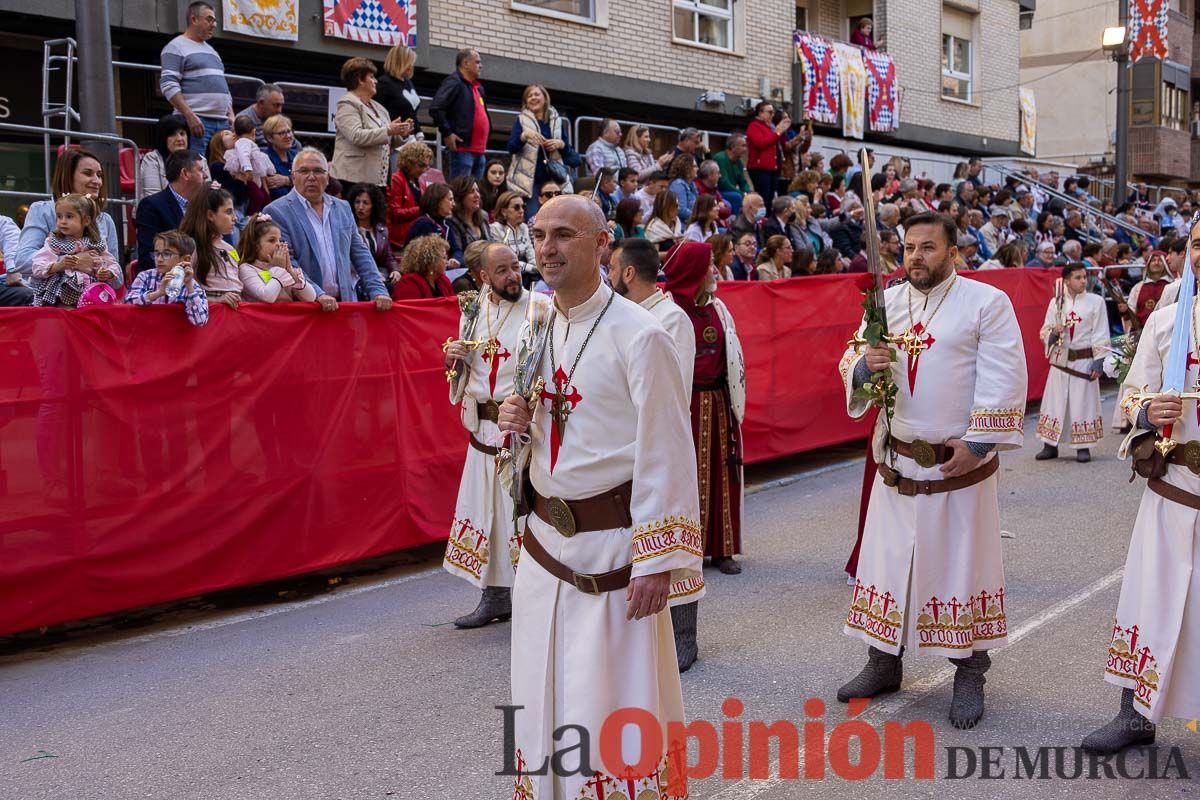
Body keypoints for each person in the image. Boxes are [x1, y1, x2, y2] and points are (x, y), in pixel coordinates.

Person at [496, 194, 702, 799]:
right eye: (538, 236)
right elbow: (546, 423)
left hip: (613, 552)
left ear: (602, 245)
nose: (546, 249)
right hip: (545, 547)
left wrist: (657, 561)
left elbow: (667, 450)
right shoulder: (540, 325)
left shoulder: (642, 336)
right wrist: (519, 417)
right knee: (540, 689)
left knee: (608, 701)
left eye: (563, 235)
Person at [837, 212, 1028, 729]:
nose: (916, 257)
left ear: (953, 252)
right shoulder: (886, 303)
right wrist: (863, 366)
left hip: (956, 465)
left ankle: (969, 669)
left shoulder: (986, 303)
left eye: (928, 247)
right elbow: (851, 359)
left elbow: (1006, 376)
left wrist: (980, 442)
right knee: (889, 565)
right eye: (909, 248)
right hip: (898, 461)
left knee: (960, 570)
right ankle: (883, 661)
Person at [1081, 215, 1200, 753]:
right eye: (1199, 245)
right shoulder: (1167, 322)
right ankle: (1135, 715)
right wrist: (1149, 408)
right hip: (1173, 488)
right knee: (1148, 601)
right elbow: (1129, 397)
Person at [442, 242, 550, 627]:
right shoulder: (472, 311)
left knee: (518, 513)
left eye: (515, 268)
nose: (513, 276)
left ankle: (533, 599)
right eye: (502, 270)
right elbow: (462, 377)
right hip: (481, 428)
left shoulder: (538, 309)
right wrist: (452, 361)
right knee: (488, 514)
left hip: (516, 427)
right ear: (483, 276)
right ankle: (495, 597)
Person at [663, 240, 747, 669]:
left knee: (721, 475)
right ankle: (687, 552)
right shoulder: (667, 311)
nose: (715, 271)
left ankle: (723, 549)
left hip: (717, 401)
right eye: (709, 266)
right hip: (687, 405)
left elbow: (731, 354)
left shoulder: (717, 308)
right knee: (689, 480)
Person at [262, 148, 392, 312]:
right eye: (303, 171)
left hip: (343, 305)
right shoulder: (276, 211)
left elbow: (360, 253)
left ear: (328, 177)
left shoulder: (343, 207)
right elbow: (289, 262)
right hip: (305, 307)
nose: (311, 177)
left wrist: (378, 291)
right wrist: (318, 294)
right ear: (293, 176)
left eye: (318, 171)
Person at [1035, 263, 1108, 463]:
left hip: (1084, 361)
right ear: (1066, 281)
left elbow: (1101, 333)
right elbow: (1044, 331)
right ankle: (1050, 445)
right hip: (1061, 361)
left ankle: (1082, 446)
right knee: (1055, 402)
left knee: (1081, 402)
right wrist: (1053, 332)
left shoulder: (1096, 302)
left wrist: (1098, 362)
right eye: (1078, 277)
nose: (1083, 280)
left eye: (1084, 277)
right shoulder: (1056, 303)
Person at [15, 149, 121, 277]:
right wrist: (70, 262)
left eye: (99, 175)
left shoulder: (105, 220)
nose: (97, 181)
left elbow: (117, 278)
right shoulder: (42, 210)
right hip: (51, 294)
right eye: (88, 173)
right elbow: (22, 261)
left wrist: (102, 268)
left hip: (93, 294)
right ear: (68, 176)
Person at [608, 237, 695, 389]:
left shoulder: (673, 319)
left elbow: (676, 389)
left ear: (628, 273)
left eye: (612, 268)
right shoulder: (617, 312)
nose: (608, 276)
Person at [159, 1, 233, 154]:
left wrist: (230, 113)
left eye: (214, 20)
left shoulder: (212, 51)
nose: (214, 24)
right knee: (196, 170)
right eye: (209, 19)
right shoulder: (175, 47)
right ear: (194, 19)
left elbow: (221, 84)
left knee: (222, 170)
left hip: (223, 122)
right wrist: (189, 115)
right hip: (198, 120)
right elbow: (168, 84)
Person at [331, 57, 412, 188]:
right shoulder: (347, 103)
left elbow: (387, 142)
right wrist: (388, 130)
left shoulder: (380, 109)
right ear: (360, 80)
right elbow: (357, 136)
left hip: (378, 180)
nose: (375, 81)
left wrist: (401, 133)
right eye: (372, 77)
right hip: (353, 180)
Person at [30, 193, 121, 307]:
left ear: (86, 220)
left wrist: (108, 273)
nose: (62, 221)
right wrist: (60, 265)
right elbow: (38, 265)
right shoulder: (54, 241)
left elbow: (112, 264)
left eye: (69, 216)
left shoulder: (97, 243)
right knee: (68, 319)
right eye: (59, 216)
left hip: (93, 294)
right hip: (63, 294)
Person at [505, 84, 578, 213]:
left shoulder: (556, 121)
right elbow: (511, 147)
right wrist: (524, 136)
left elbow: (570, 153)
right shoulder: (521, 120)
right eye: (529, 96)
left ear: (545, 98)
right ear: (526, 102)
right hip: (530, 183)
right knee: (533, 218)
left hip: (553, 180)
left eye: (536, 94)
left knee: (556, 217)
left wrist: (559, 144)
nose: (533, 98)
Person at [180, 186, 255, 307]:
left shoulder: (230, 248)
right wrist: (215, 299)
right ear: (210, 215)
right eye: (228, 212)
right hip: (212, 316)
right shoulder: (192, 246)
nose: (235, 218)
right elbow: (179, 289)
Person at [135, 150, 208, 270]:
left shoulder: (203, 206)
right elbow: (148, 256)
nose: (205, 175)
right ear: (185, 173)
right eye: (200, 170)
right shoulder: (151, 206)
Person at [125, 229, 209, 324]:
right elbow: (128, 303)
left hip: (174, 337)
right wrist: (159, 293)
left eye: (167, 254)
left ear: (186, 259)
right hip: (147, 335)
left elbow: (200, 320)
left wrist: (189, 287)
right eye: (157, 254)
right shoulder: (145, 276)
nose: (159, 259)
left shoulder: (190, 284)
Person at [430, 48, 489, 179]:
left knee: (475, 195)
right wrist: (447, 132)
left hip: (480, 152)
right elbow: (436, 108)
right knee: (460, 193)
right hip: (463, 151)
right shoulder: (454, 82)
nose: (481, 65)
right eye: (477, 62)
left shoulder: (478, 87)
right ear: (466, 63)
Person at [236, 213, 317, 303]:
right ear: (255, 245)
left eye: (280, 240)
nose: (278, 244)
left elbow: (310, 298)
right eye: (272, 240)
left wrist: (290, 269)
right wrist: (278, 268)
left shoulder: (284, 268)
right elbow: (267, 297)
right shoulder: (246, 268)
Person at [139, 113, 210, 197]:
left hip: (193, 208)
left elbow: (207, 195)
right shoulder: (152, 159)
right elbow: (153, 197)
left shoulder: (200, 159)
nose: (179, 139)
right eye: (173, 135)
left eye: (182, 134)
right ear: (163, 138)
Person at [346, 183, 397, 292]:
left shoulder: (381, 230)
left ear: (374, 206)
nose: (360, 207)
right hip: (357, 279)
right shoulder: (348, 229)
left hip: (380, 277)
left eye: (365, 203)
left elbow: (389, 257)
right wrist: (372, 273)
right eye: (357, 202)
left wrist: (395, 271)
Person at [386, 140, 433, 250]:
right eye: (421, 165)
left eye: (426, 166)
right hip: (399, 240)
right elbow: (394, 213)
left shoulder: (420, 181)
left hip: (417, 237)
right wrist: (421, 210)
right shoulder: (396, 180)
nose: (424, 170)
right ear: (409, 162)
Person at [405, 182, 464, 266]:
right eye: (450, 199)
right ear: (438, 201)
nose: (453, 204)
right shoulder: (422, 224)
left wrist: (455, 259)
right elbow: (417, 258)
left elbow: (456, 250)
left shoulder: (447, 225)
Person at [746, 101, 790, 208]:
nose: (772, 115)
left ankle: (767, 219)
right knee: (763, 197)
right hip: (760, 167)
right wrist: (777, 132)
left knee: (770, 198)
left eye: (773, 113)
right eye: (770, 112)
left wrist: (782, 132)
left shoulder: (770, 127)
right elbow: (760, 142)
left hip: (772, 168)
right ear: (760, 113)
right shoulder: (754, 126)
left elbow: (781, 146)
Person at [489, 191, 536, 284]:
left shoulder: (524, 227)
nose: (521, 210)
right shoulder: (495, 229)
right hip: (507, 274)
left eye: (523, 206)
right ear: (504, 211)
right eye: (516, 207)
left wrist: (536, 266)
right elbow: (506, 260)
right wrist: (532, 268)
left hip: (526, 273)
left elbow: (530, 251)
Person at [393, 233, 453, 299]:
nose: (447, 262)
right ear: (431, 261)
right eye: (444, 258)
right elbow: (410, 308)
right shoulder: (409, 283)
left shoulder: (443, 280)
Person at [225, 114, 276, 193]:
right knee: (256, 193)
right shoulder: (243, 142)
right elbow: (243, 155)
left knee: (259, 190)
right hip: (250, 169)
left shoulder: (244, 142)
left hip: (253, 167)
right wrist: (247, 168)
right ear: (253, 132)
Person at [374, 43, 421, 129]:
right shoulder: (383, 83)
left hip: (411, 134)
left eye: (412, 63)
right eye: (409, 62)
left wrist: (419, 133)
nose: (411, 66)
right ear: (400, 62)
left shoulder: (409, 83)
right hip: (392, 135)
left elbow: (412, 113)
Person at [1124, 251, 1172, 327]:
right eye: (1153, 260)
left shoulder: (1172, 286)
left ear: (1165, 265)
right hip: (1142, 331)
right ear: (1148, 264)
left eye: (1160, 260)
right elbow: (1131, 309)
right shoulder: (1137, 287)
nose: (1156, 263)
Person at [447, 176, 493, 253]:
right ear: (460, 196)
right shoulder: (452, 221)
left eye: (478, 191)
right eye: (471, 192)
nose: (477, 195)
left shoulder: (483, 216)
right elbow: (459, 253)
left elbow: (492, 244)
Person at [714, 133, 753, 201]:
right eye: (743, 146)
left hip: (732, 192)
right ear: (733, 147)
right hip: (719, 192)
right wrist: (742, 194)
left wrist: (749, 192)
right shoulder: (720, 158)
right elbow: (724, 184)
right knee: (737, 197)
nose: (745, 149)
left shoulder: (739, 162)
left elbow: (743, 182)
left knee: (754, 197)